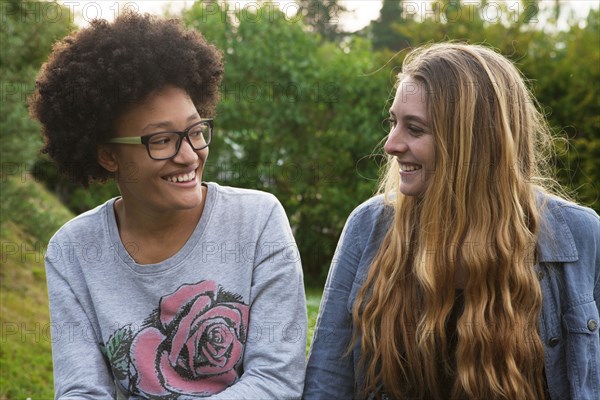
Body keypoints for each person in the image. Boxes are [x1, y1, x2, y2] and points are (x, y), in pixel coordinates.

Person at [29, 12, 307, 399]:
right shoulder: (73, 251)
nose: (190, 155)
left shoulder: (257, 221)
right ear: (108, 155)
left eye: (196, 131)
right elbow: (81, 390)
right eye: (161, 141)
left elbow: (276, 381)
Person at [303, 43, 599, 400]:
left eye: (414, 128)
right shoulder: (369, 226)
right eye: (393, 122)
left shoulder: (580, 236)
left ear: (473, 144)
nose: (391, 144)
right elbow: (327, 383)